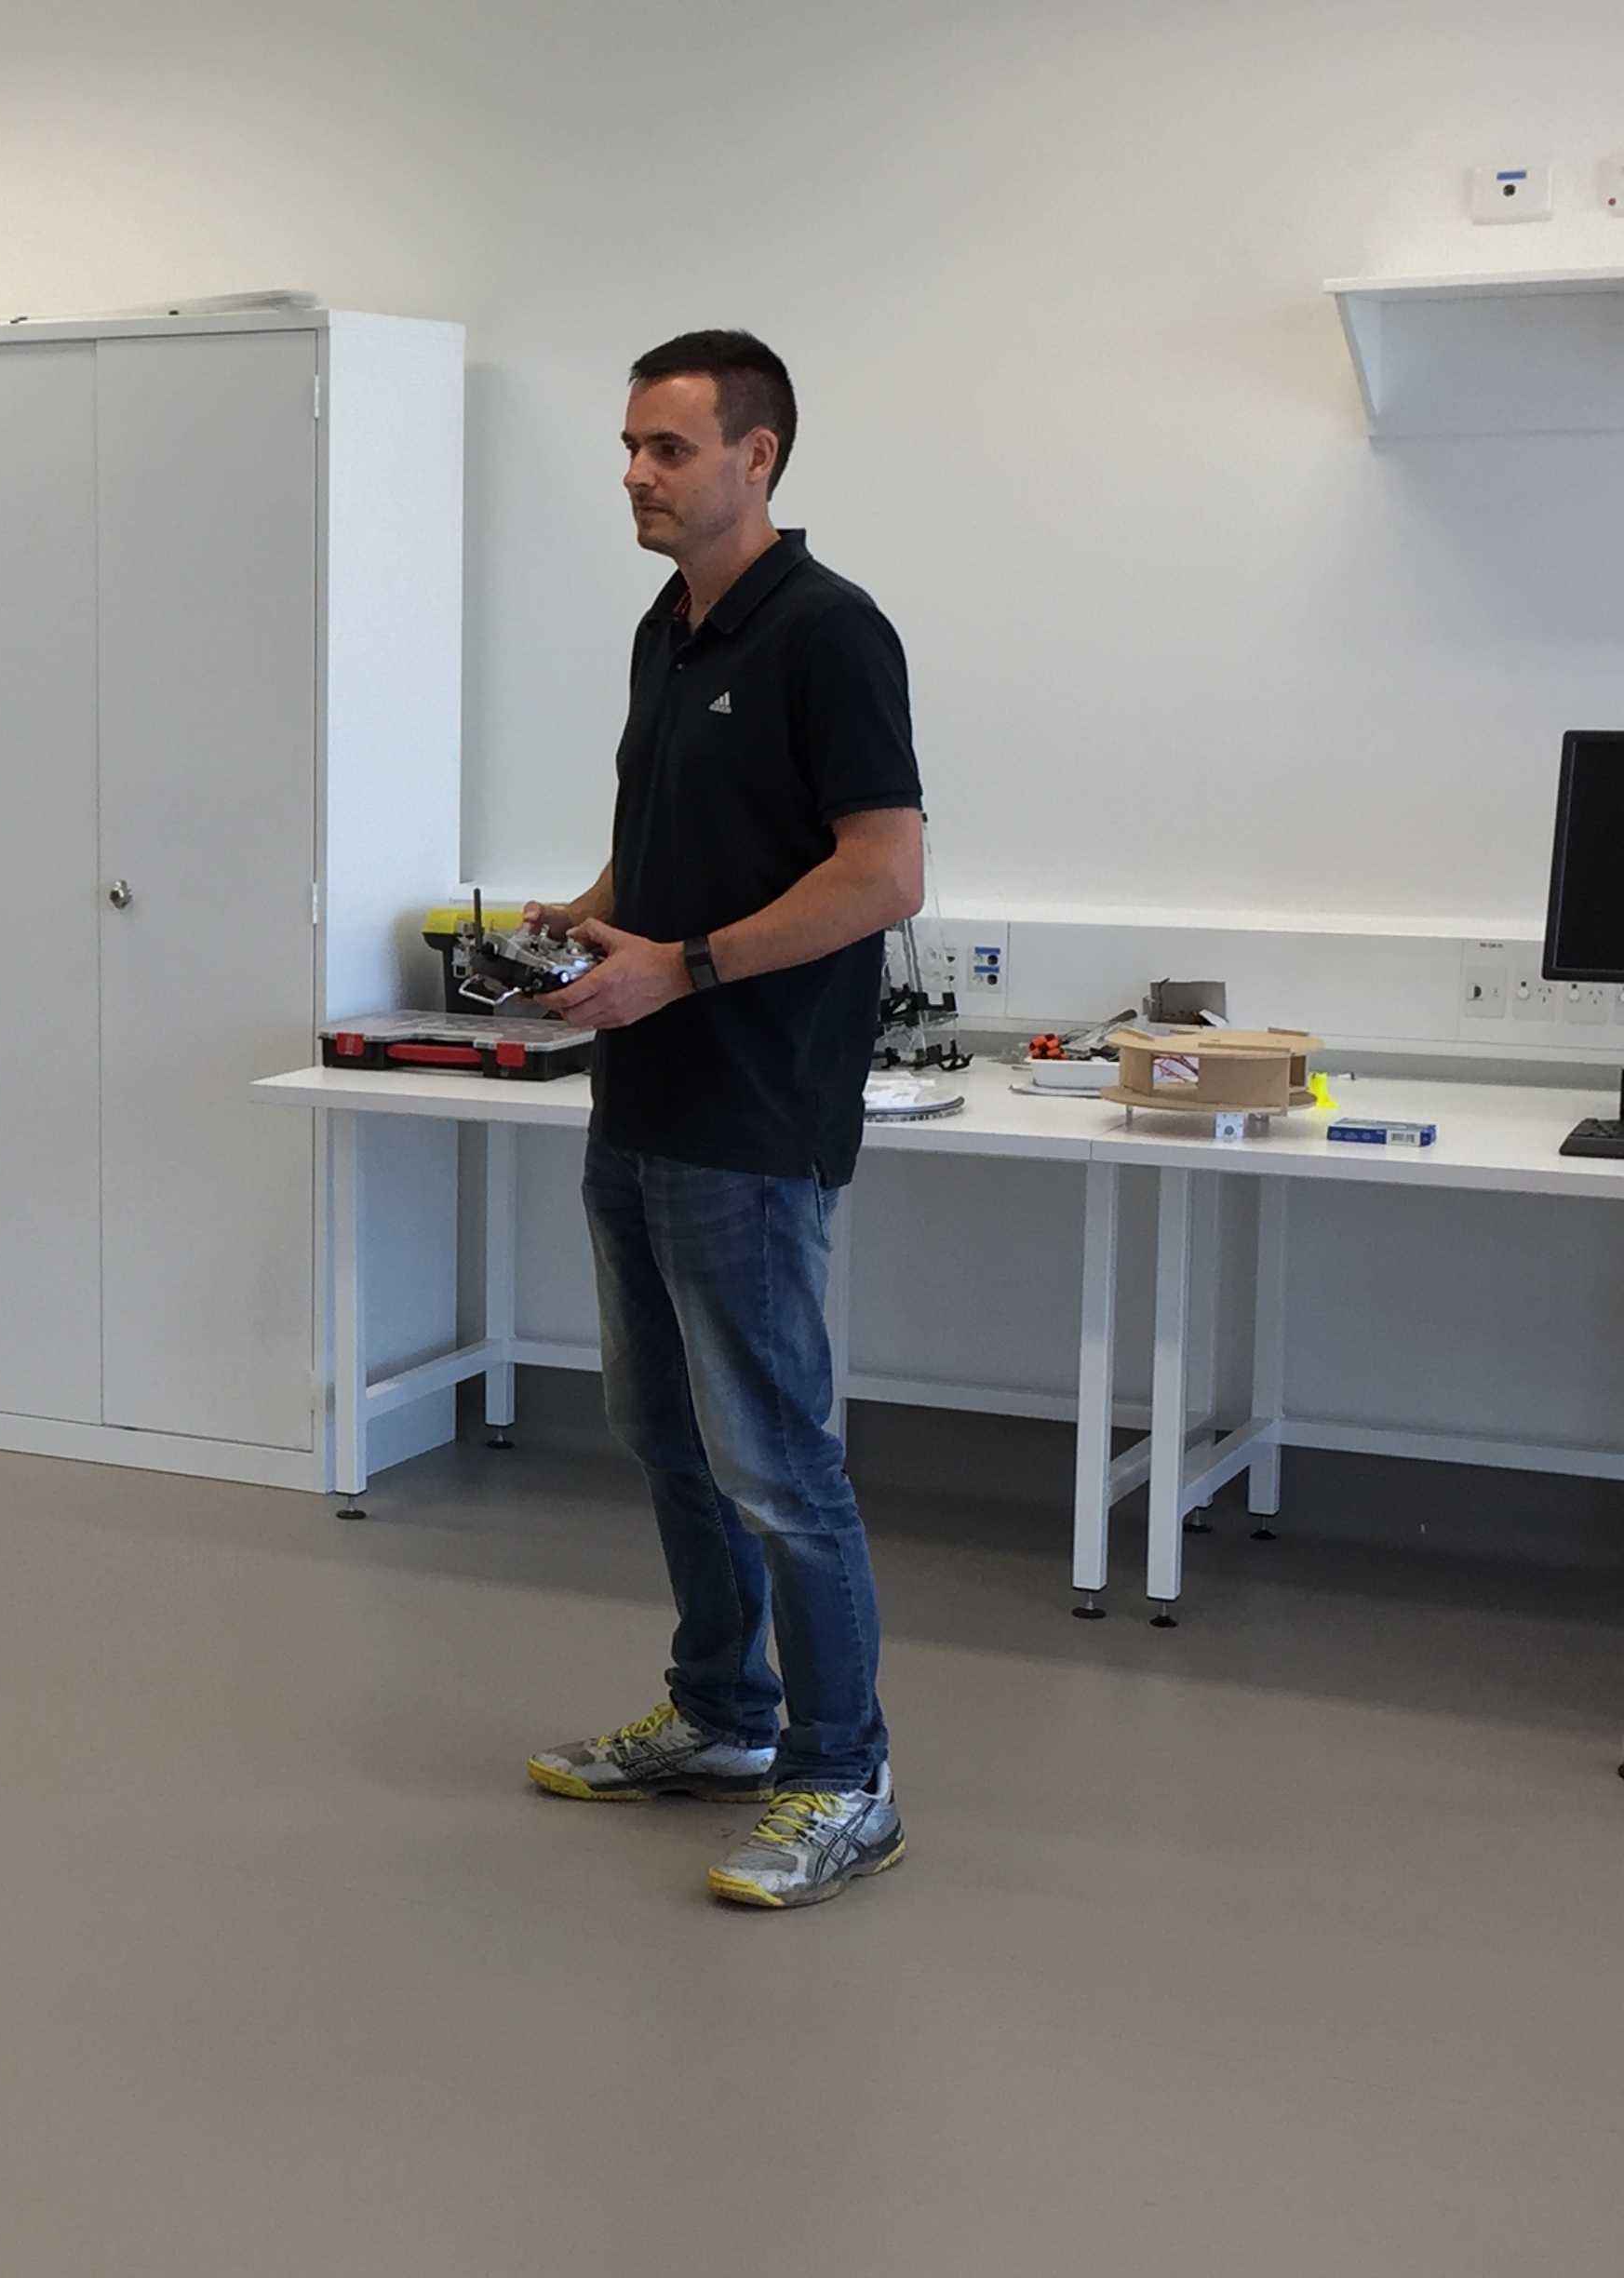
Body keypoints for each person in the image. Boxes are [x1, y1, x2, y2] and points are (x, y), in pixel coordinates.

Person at [517, 329, 926, 1910]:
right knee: (664, 1434)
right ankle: (723, 1722)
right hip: (642, 1097)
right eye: (629, 445)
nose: (635, 473)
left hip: (753, 1113)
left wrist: (679, 968)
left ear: (758, 458)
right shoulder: (667, 630)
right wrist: (589, 916)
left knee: (776, 1461)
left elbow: (881, 875)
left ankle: (846, 1778)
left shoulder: (831, 634)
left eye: (669, 449)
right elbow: (674, 846)